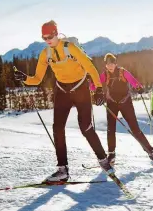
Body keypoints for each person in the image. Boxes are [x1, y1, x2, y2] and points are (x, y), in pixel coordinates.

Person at [14, 20, 113, 182]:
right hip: (62, 91)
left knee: (86, 127)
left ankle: (103, 160)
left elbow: (90, 67)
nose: (47, 40)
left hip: (80, 89)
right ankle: (62, 170)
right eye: (44, 37)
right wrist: (25, 78)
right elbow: (37, 79)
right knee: (58, 128)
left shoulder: (70, 48)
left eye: (50, 36)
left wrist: (99, 88)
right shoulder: (45, 54)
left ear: (56, 33)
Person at [90, 53, 153, 167]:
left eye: (112, 63)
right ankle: (111, 154)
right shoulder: (104, 74)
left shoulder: (122, 72)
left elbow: (133, 80)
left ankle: (150, 151)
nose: (110, 66)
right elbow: (96, 84)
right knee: (111, 130)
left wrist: (138, 87)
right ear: (105, 65)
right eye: (108, 64)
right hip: (112, 103)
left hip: (125, 103)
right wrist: (92, 90)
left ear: (115, 63)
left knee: (135, 129)